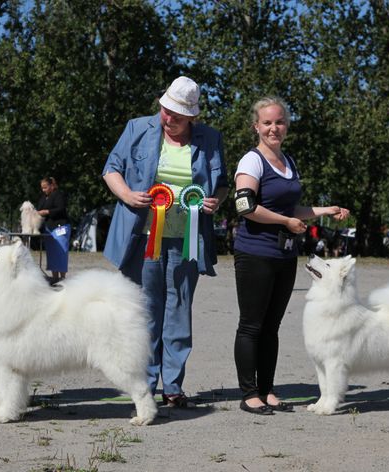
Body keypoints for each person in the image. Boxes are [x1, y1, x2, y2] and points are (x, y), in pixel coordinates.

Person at [103, 76, 229, 407]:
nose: (167, 117)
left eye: (175, 114)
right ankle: (144, 384)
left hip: (187, 240)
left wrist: (216, 200)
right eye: (164, 109)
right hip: (143, 236)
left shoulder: (210, 139)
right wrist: (128, 195)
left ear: (192, 117)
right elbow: (111, 169)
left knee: (179, 310)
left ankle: (173, 386)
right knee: (147, 311)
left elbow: (223, 184)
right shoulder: (137, 128)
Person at [233, 96, 350, 415]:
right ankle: (249, 393)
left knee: (272, 327)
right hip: (255, 253)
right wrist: (285, 222)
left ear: (287, 125)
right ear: (256, 126)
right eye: (267, 122)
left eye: (279, 121)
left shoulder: (288, 162)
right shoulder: (252, 161)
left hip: (285, 255)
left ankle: (268, 390)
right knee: (251, 326)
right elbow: (245, 206)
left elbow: (290, 208)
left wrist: (325, 210)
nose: (274, 128)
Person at [37, 177, 69, 283]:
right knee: (51, 253)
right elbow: (38, 209)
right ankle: (55, 277)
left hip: (60, 227)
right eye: (42, 188)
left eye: (45, 187)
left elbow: (61, 208)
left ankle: (63, 278)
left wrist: (47, 212)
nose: (43, 190)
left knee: (61, 252)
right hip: (48, 229)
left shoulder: (58, 194)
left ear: (51, 186)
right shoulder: (44, 197)